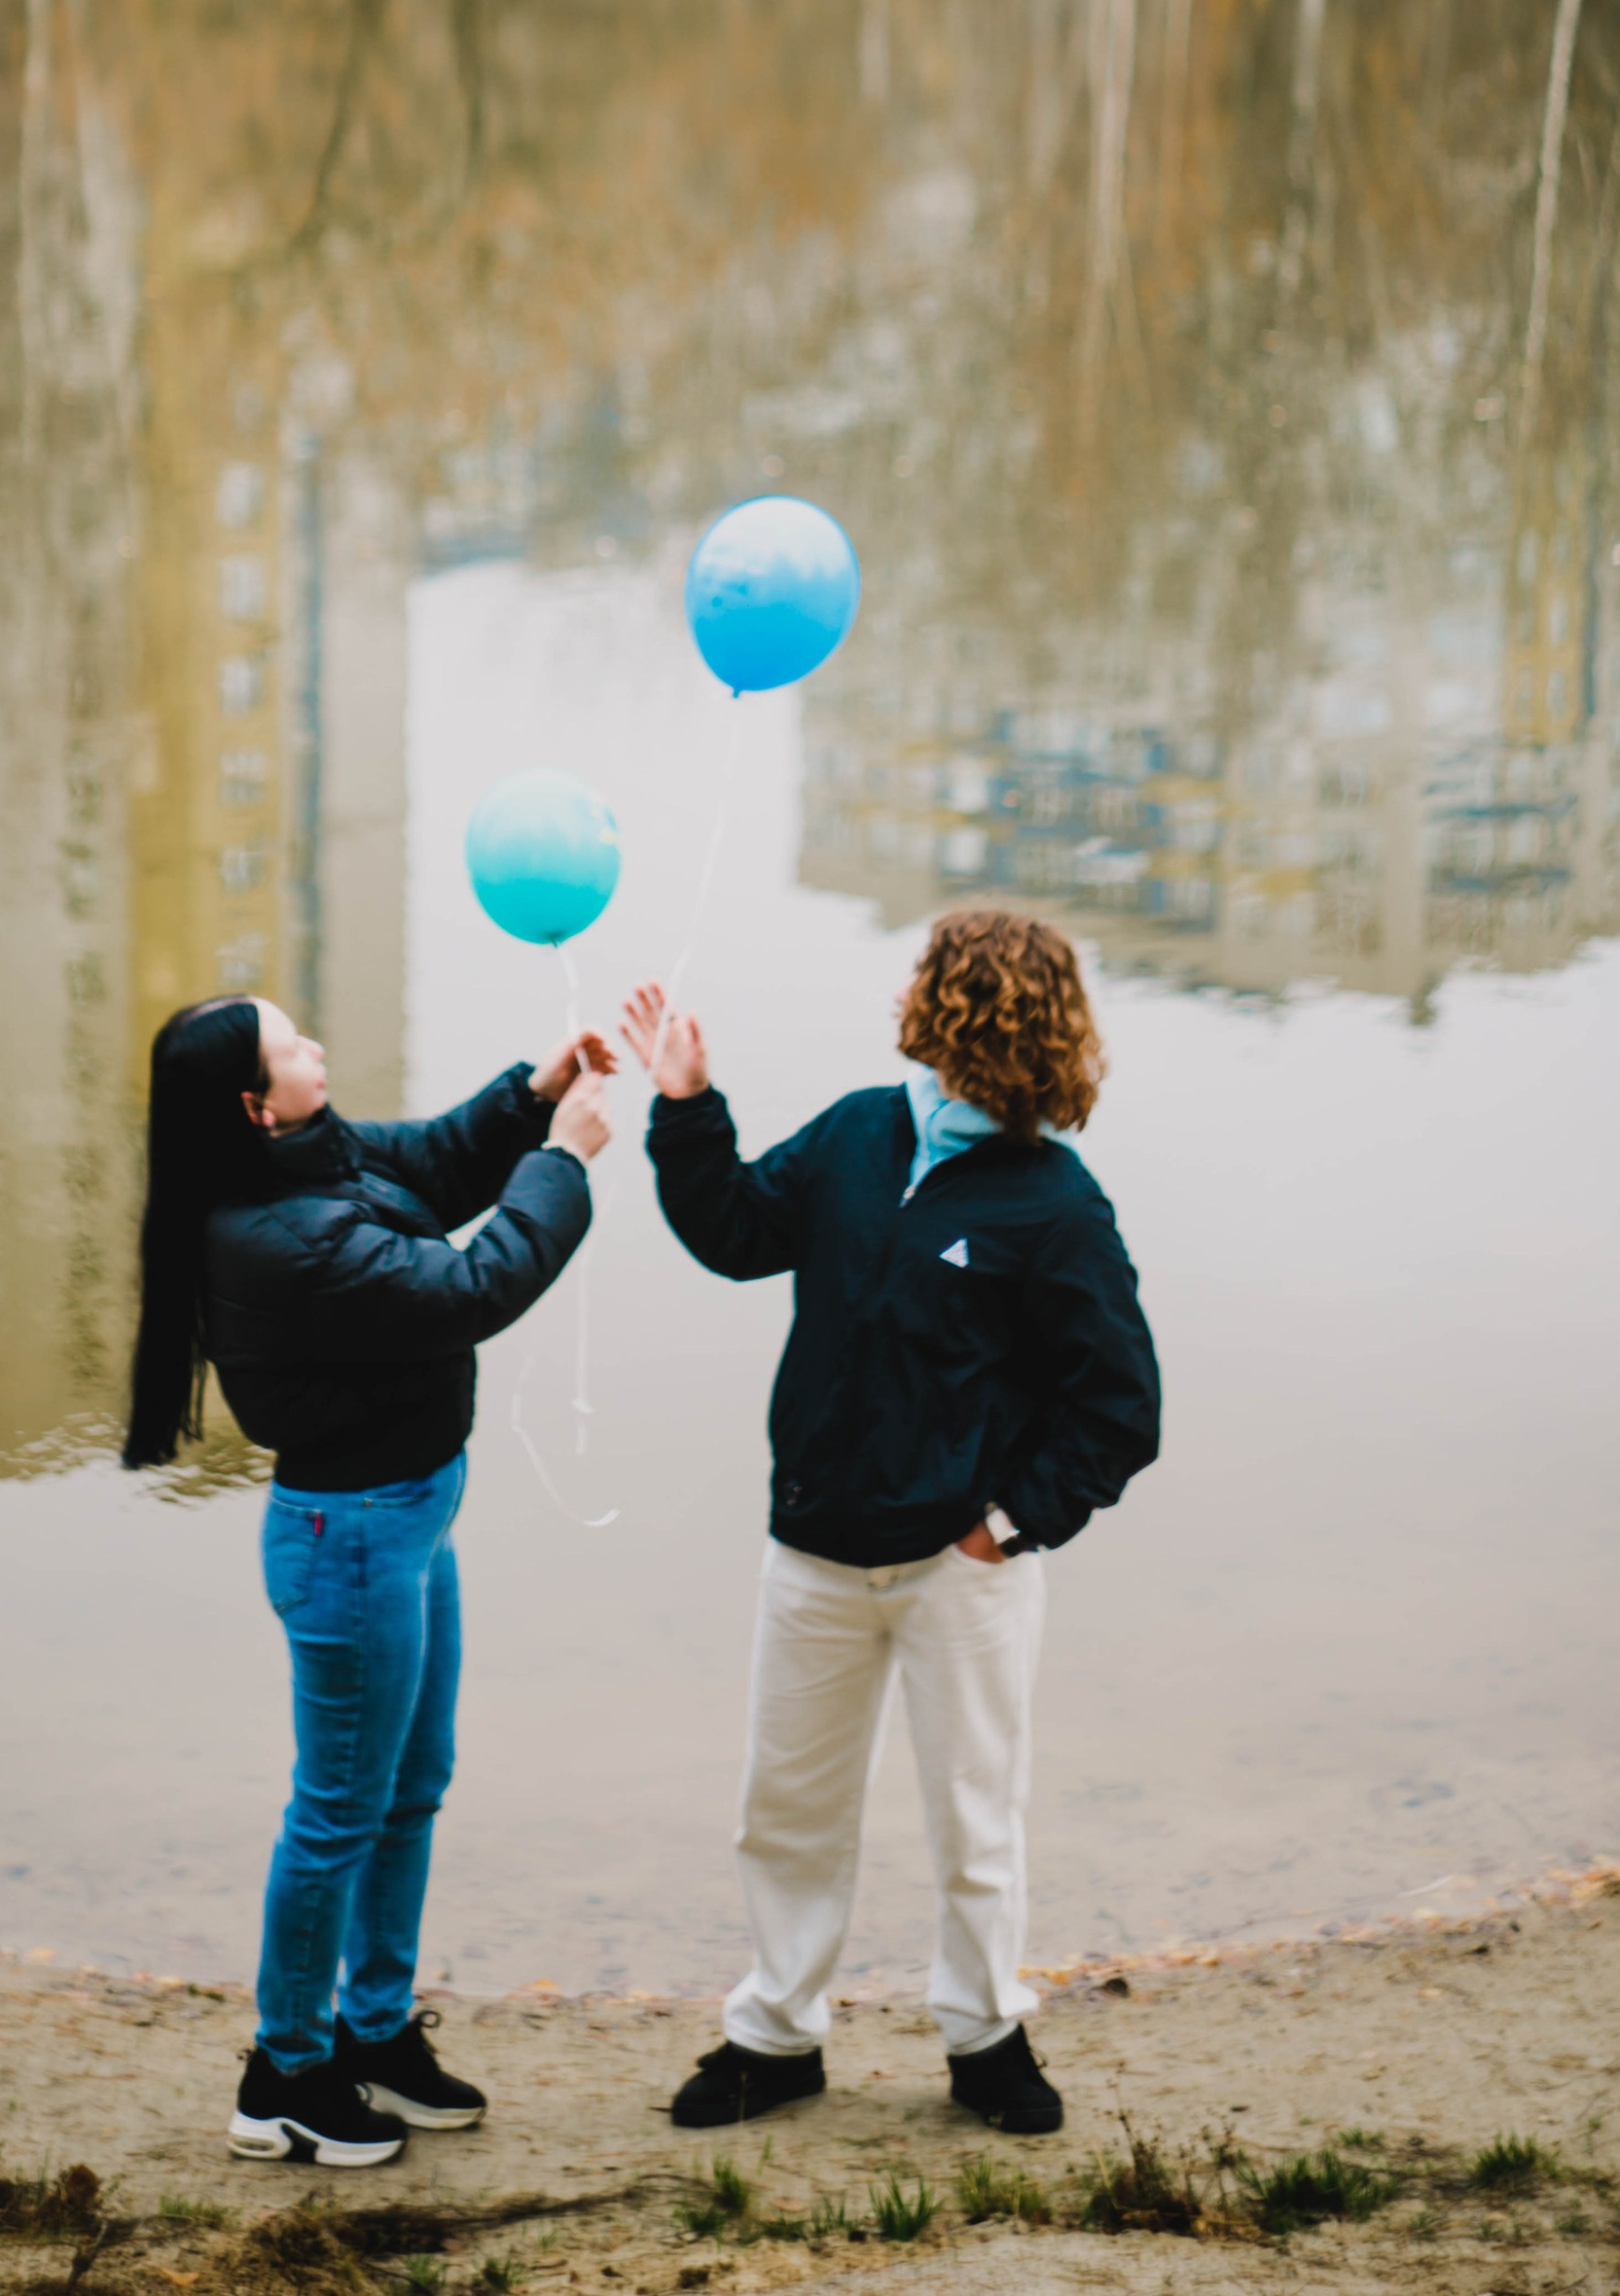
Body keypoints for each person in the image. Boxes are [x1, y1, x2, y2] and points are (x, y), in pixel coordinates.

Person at [623, 903, 1159, 2140]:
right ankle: (774, 2038)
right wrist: (687, 1105)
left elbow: (1120, 1407)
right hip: (812, 1549)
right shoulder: (859, 1132)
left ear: (962, 1010)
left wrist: (1005, 1526)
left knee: (975, 1821)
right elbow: (737, 1234)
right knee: (785, 1811)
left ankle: (985, 2038)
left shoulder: (1055, 1205)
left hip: (960, 1570)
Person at [123, 991, 614, 2169]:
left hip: (409, 1518)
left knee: (410, 1786)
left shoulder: (314, 1156)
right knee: (339, 1808)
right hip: (350, 1539)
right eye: (292, 1045)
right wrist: (561, 1165)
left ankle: (375, 2030)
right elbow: (469, 1291)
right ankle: (286, 2072)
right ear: (255, 1104)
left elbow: (434, 1166)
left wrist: (533, 1095)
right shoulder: (279, 1234)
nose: (316, 1048)